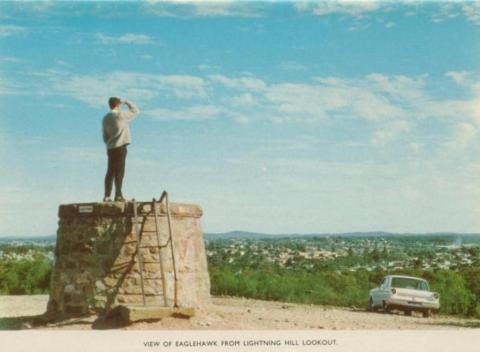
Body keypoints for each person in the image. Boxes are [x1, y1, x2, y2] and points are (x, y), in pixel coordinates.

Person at [102, 97, 140, 202]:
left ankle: (107, 196)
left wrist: (109, 143)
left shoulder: (105, 118)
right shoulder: (121, 115)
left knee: (110, 171)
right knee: (119, 171)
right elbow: (136, 111)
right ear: (118, 105)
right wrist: (127, 101)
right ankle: (118, 195)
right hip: (121, 147)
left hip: (110, 148)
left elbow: (104, 136)